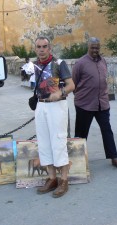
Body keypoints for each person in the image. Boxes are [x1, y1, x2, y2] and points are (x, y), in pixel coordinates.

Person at [72, 37, 117, 169]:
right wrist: (81, 96)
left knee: (107, 131)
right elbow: (74, 83)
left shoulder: (103, 62)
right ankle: (76, 161)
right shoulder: (80, 63)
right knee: (81, 134)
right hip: (85, 104)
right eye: (92, 47)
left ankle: (114, 158)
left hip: (102, 103)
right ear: (88, 47)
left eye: (97, 47)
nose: (95, 50)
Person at [33, 36, 75, 198]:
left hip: (57, 106)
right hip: (41, 105)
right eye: (39, 47)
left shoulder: (59, 64)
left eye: (45, 46)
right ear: (35, 49)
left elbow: (72, 85)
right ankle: (52, 178)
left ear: (50, 48)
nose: (42, 50)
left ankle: (63, 180)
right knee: (44, 143)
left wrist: (60, 92)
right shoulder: (34, 65)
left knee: (58, 141)